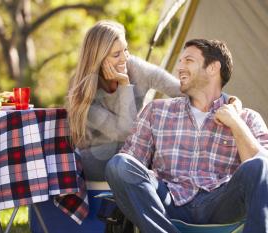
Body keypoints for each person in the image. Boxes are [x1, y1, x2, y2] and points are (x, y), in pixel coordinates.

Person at [105, 39, 268, 233]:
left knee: (261, 164)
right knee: (119, 165)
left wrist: (237, 124)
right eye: (180, 61)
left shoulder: (246, 118)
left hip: (221, 203)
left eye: (188, 60)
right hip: (168, 200)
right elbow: (130, 164)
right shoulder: (157, 111)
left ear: (213, 67)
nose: (180, 67)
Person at [66, 21, 240, 181]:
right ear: (98, 59)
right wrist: (125, 85)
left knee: (161, 147)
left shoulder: (135, 68)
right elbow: (125, 132)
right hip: (96, 157)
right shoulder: (82, 92)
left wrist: (227, 100)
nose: (125, 58)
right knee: (148, 150)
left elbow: (182, 90)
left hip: (131, 150)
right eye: (116, 54)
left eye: (126, 50)